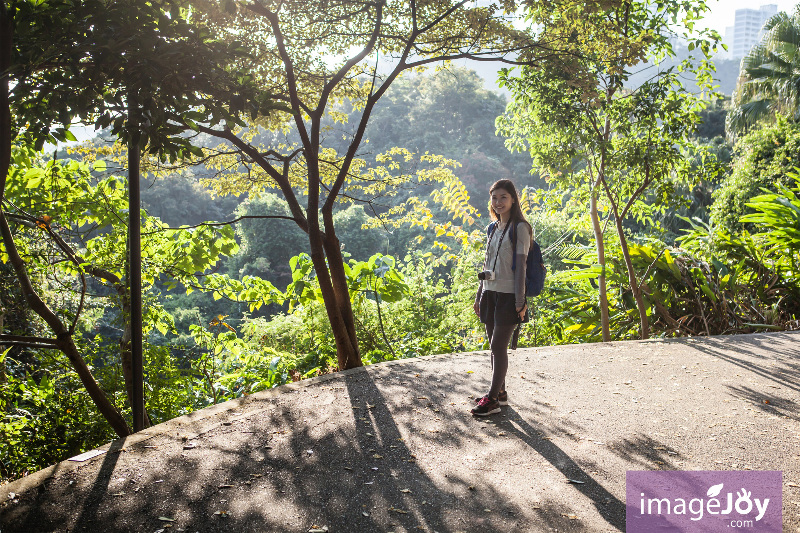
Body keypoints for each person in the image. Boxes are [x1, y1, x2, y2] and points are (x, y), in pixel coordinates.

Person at [471, 179, 531, 416]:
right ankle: (501, 393)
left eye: (503, 197)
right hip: (489, 293)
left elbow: (521, 268)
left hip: (509, 296)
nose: (498, 202)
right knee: (493, 347)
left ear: (513, 199)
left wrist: (520, 301)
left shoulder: (520, 228)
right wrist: (479, 296)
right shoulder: (492, 228)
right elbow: (486, 266)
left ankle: (493, 398)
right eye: (494, 198)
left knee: (498, 346)